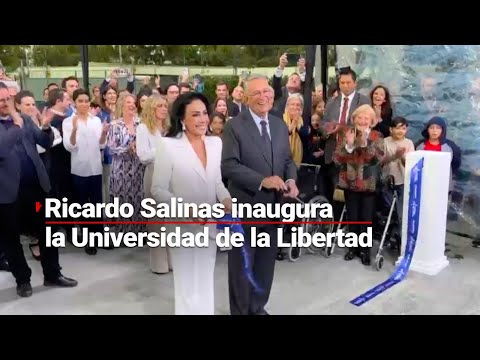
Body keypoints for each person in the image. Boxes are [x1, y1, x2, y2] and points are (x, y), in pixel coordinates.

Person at [221, 75, 299, 315]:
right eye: (257, 93)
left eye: (267, 91)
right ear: (245, 97)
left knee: (265, 266)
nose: (263, 96)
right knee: (243, 266)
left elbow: (287, 160)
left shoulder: (278, 124)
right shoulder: (234, 126)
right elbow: (229, 166)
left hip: (274, 208)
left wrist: (290, 179)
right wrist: (262, 180)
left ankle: (257, 308)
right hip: (246, 205)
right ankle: (241, 310)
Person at [150, 92, 232, 315]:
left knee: (205, 283)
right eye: (195, 114)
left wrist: (227, 200)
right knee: (187, 287)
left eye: (205, 113)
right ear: (182, 119)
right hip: (182, 226)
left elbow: (215, 182)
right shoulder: (167, 146)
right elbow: (157, 190)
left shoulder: (215, 144)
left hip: (209, 226)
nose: (203, 119)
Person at [0, 82, 77, 297]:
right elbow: (3, 149)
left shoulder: (25, 120)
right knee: (11, 239)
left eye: (8, 99)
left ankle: (53, 274)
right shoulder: (18, 123)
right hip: (8, 195)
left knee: (49, 232)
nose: (6, 103)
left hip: (37, 190)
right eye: (1, 100)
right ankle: (23, 280)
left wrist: (44, 127)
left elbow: (45, 141)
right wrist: (16, 125)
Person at [333, 104, 384, 266]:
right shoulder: (346, 134)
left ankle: (365, 251)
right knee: (352, 217)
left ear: (371, 121)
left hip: (368, 184)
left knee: (366, 219)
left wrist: (362, 143)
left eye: (366, 118)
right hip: (349, 183)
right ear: (354, 119)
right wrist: (348, 146)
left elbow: (376, 159)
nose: (362, 120)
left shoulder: (377, 136)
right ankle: (352, 249)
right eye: (359, 117)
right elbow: (337, 159)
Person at [136, 95, 172, 274]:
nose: (164, 109)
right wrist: (163, 148)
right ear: (151, 109)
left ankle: (173, 260)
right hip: (154, 173)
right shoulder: (143, 128)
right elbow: (142, 156)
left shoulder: (169, 128)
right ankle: (159, 264)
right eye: (160, 106)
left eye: (165, 106)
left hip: (172, 176)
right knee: (157, 220)